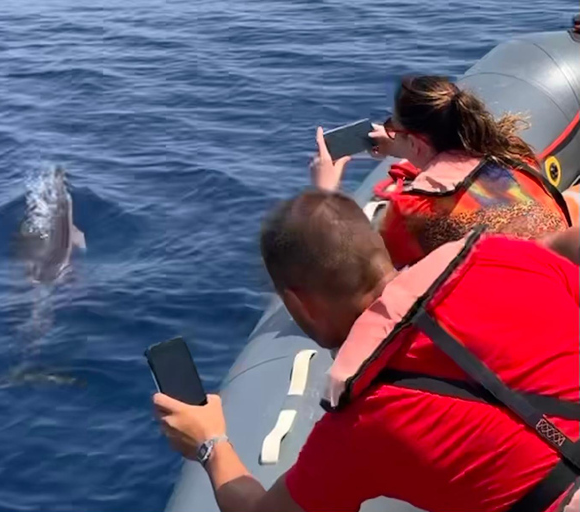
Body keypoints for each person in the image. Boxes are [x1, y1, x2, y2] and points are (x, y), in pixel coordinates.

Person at [153, 189, 580, 512]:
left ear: (298, 303)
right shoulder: (508, 257)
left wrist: (209, 443)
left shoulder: (361, 426)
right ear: (380, 249)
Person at [311, 75, 576, 269]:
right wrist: (402, 144)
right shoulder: (514, 154)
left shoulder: (414, 209)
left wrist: (325, 193)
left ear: (416, 141)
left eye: (394, 127)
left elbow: (358, 265)